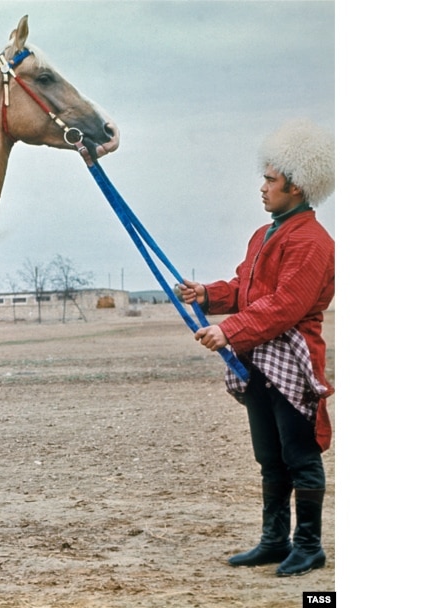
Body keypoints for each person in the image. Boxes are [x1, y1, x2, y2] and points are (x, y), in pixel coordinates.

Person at [177, 118, 334, 577]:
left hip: (291, 360)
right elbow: (247, 290)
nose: (262, 188)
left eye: (270, 179)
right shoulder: (264, 235)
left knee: (300, 456)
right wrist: (207, 294)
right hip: (258, 359)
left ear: (297, 186)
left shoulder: (312, 242)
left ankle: (309, 546)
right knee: (270, 456)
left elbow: (286, 305)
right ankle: (274, 541)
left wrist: (230, 331)